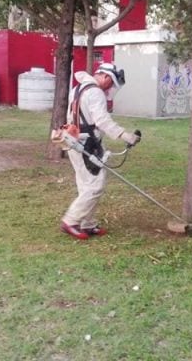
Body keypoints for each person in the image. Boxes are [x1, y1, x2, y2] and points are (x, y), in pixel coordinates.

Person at [60, 63, 140, 240]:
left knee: (85, 184)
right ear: (105, 77)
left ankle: (87, 224)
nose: (110, 88)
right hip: (86, 143)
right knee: (96, 185)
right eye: (111, 84)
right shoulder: (95, 93)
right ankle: (71, 221)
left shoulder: (78, 88)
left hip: (75, 140)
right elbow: (102, 120)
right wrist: (125, 135)